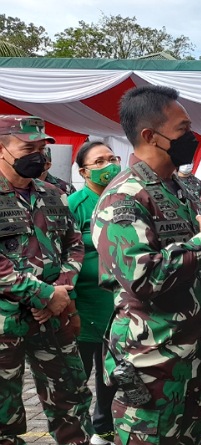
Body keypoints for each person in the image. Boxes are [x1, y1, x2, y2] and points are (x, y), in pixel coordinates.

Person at [91, 86, 201, 445]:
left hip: (190, 358)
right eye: (183, 129)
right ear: (150, 136)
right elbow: (143, 278)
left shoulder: (180, 190)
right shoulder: (123, 198)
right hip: (150, 365)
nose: (192, 137)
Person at [0, 115, 93, 444]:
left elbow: (74, 243)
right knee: (3, 410)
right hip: (6, 321)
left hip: (54, 316)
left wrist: (61, 290)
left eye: (41, 148)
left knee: (72, 399)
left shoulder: (53, 193)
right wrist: (42, 294)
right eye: (28, 149)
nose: (38, 156)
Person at [68, 141, 122, 445]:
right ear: (83, 172)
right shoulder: (74, 205)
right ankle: (77, 432)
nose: (108, 166)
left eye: (112, 158)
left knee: (111, 377)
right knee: (78, 377)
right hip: (82, 308)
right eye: (99, 161)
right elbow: (61, 256)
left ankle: (104, 431)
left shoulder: (125, 199)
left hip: (118, 308)